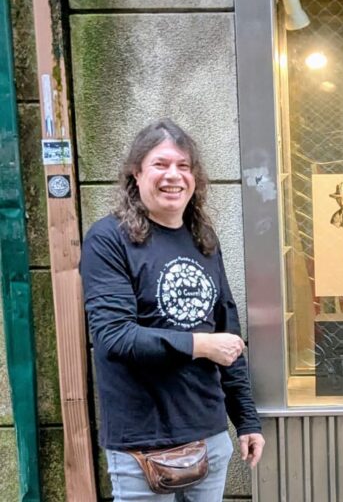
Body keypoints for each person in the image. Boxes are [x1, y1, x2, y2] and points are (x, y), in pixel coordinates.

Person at [80, 119, 265, 501]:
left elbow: (228, 334)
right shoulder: (109, 239)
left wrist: (246, 419)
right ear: (136, 173)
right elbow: (114, 337)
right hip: (142, 447)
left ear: (195, 177)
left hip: (209, 435)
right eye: (160, 164)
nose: (173, 176)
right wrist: (201, 345)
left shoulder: (203, 239)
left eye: (183, 166)